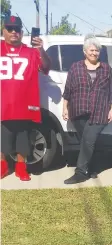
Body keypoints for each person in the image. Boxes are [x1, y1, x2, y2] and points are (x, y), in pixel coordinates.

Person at [62, 34, 112, 184]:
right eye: (91, 50)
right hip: (78, 112)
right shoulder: (75, 67)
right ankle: (92, 167)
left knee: (88, 140)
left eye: (97, 51)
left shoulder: (106, 69)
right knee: (87, 142)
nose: (94, 53)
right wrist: (65, 108)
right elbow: (68, 90)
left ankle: (81, 172)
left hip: (99, 113)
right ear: (85, 51)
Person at [0, 15, 51, 181]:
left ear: (22, 33)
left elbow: (45, 68)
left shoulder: (30, 51)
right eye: (10, 29)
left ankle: (21, 167)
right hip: (3, 102)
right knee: (3, 136)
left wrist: (41, 50)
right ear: (4, 31)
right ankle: (3, 165)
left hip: (24, 103)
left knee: (23, 137)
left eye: (17, 29)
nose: (14, 32)